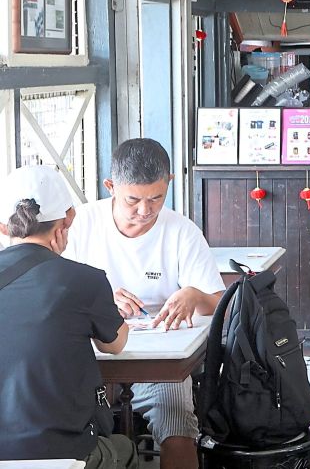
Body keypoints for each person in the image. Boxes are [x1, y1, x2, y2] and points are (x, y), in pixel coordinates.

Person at [63, 140, 223, 469]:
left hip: (162, 367)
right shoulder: (80, 225)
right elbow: (55, 293)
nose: (145, 210)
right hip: (90, 363)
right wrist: (99, 299)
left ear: (170, 184)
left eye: (156, 198)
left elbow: (218, 305)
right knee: (70, 430)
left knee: (178, 429)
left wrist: (193, 295)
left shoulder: (182, 232)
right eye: (133, 200)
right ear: (111, 187)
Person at [0, 166, 135, 468]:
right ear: (69, 217)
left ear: (3, 227)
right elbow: (114, 345)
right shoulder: (84, 280)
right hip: (62, 453)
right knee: (125, 448)